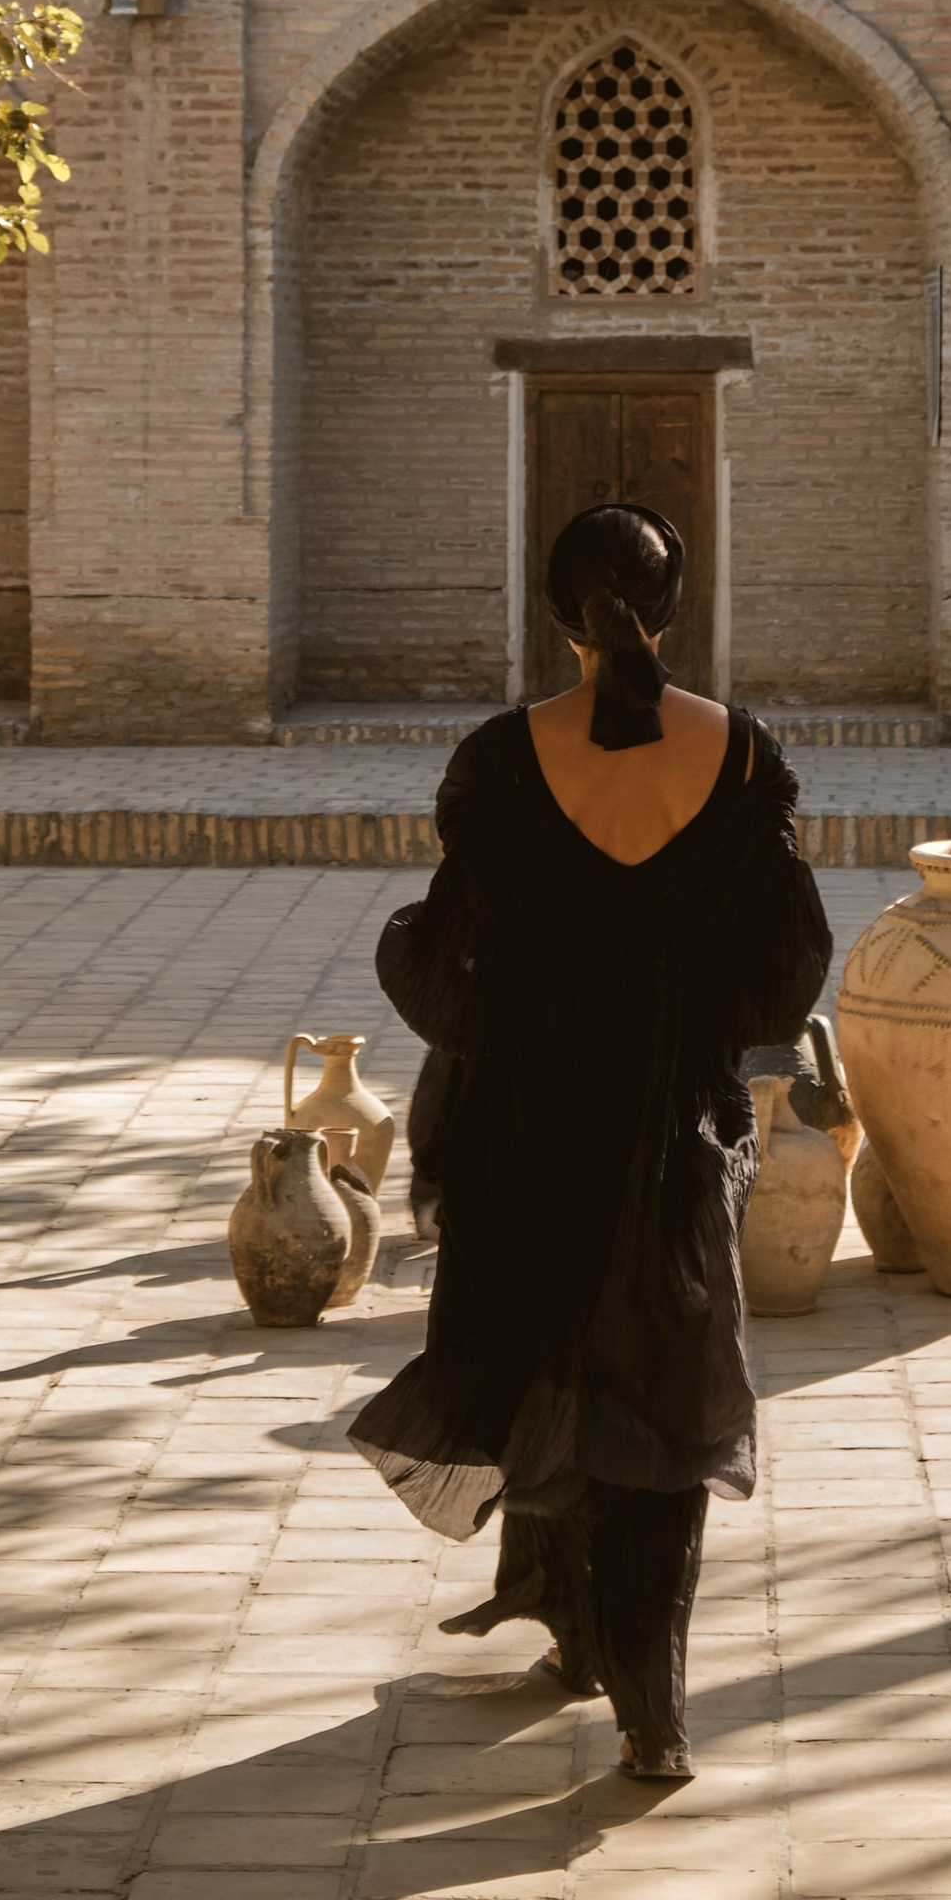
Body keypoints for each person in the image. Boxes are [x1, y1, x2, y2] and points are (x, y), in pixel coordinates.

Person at [349, 501, 831, 1780]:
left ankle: (574, 1627)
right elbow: (782, 975)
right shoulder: (741, 757)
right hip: (671, 1129)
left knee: (543, 1353)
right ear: (672, 612)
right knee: (662, 1395)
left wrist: (405, 936)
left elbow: (453, 970)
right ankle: (646, 1707)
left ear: (558, 616)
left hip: (525, 1133)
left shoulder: (503, 759)